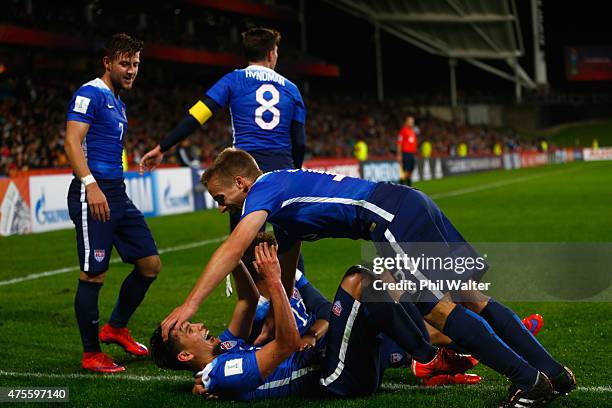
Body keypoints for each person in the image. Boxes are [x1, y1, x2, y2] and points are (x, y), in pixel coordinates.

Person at [161, 148, 575, 407]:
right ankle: (554, 374)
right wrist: (274, 314)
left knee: (437, 309)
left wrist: (190, 305)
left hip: (386, 217)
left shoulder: (263, 190)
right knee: (473, 299)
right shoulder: (284, 216)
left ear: (240, 182)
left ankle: (527, 381)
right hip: (410, 204)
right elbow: (283, 289)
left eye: (221, 198)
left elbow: (234, 247)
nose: (222, 208)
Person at [151, 243, 476, 400]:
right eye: (186, 329)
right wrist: (277, 282)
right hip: (335, 377)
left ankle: (486, 340)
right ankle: (426, 359)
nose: (193, 323)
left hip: (335, 360)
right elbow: (288, 344)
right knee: (357, 281)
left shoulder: (224, 348)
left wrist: (236, 250)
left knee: (387, 281)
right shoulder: (221, 372)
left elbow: (247, 300)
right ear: (185, 355)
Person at [64, 33, 161, 373]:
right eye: (124, 63)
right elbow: (72, 142)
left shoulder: (118, 102)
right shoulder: (89, 93)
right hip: (93, 192)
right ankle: (91, 353)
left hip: (116, 193)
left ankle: (116, 327)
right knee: (94, 275)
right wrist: (90, 185)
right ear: (107, 63)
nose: (131, 70)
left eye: (135, 63)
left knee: (150, 264)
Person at [396, 115, 418, 186]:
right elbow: (399, 143)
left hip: (412, 154)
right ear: (406, 122)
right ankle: (401, 187)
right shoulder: (403, 131)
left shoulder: (412, 131)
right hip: (406, 153)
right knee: (405, 171)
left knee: (410, 171)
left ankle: (408, 187)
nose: (412, 123)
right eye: (410, 121)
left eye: (412, 121)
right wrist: (399, 155)